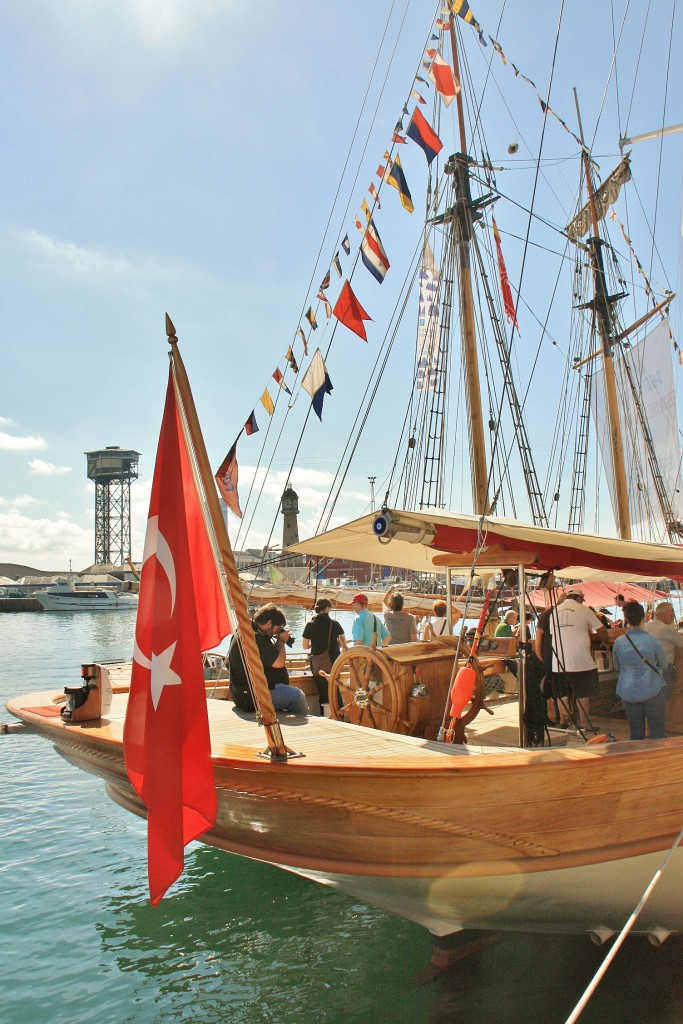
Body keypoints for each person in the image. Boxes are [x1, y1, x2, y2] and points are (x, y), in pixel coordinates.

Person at [228, 603, 308, 715]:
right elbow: (279, 662)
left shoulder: (246, 631)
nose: (277, 632)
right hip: (253, 697)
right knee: (297, 696)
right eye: (278, 629)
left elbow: (267, 656)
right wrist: (281, 641)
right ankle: (304, 726)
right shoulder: (256, 639)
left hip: (243, 694)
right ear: (269, 623)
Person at [549, 590, 608, 729]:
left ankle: (564, 722)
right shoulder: (584, 610)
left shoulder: (554, 612)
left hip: (558, 662)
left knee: (562, 694)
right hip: (580, 661)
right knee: (583, 693)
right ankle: (585, 724)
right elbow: (602, 630)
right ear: (579, 598)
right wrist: (605, 642)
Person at [612, 600, 668, 740]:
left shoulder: (619, 642)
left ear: (626, 619)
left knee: (636, 734)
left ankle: (638, 760)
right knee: (657, 732)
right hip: (652, 690)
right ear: (643, 618)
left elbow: (617, 667)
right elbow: (664, 664)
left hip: (628, 692)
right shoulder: (652, 641)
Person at [302, 598, 347, 712]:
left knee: (322, 691)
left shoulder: (310, 625)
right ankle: (339, 714)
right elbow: (343, 642)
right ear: (327, 608)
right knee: (335, 690)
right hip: (334, 662)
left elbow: (305, 646)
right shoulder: (335, 624)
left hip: (318, 664)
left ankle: (325, 715)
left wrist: (315, 644)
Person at [644, 600, 683, 687]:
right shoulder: (667, 629)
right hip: (664, 668)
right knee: (664, 694)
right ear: (663, 614)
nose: (673, 615)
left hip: (649, 666)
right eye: (671, 611)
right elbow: (681, 643)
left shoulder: (648, 625)